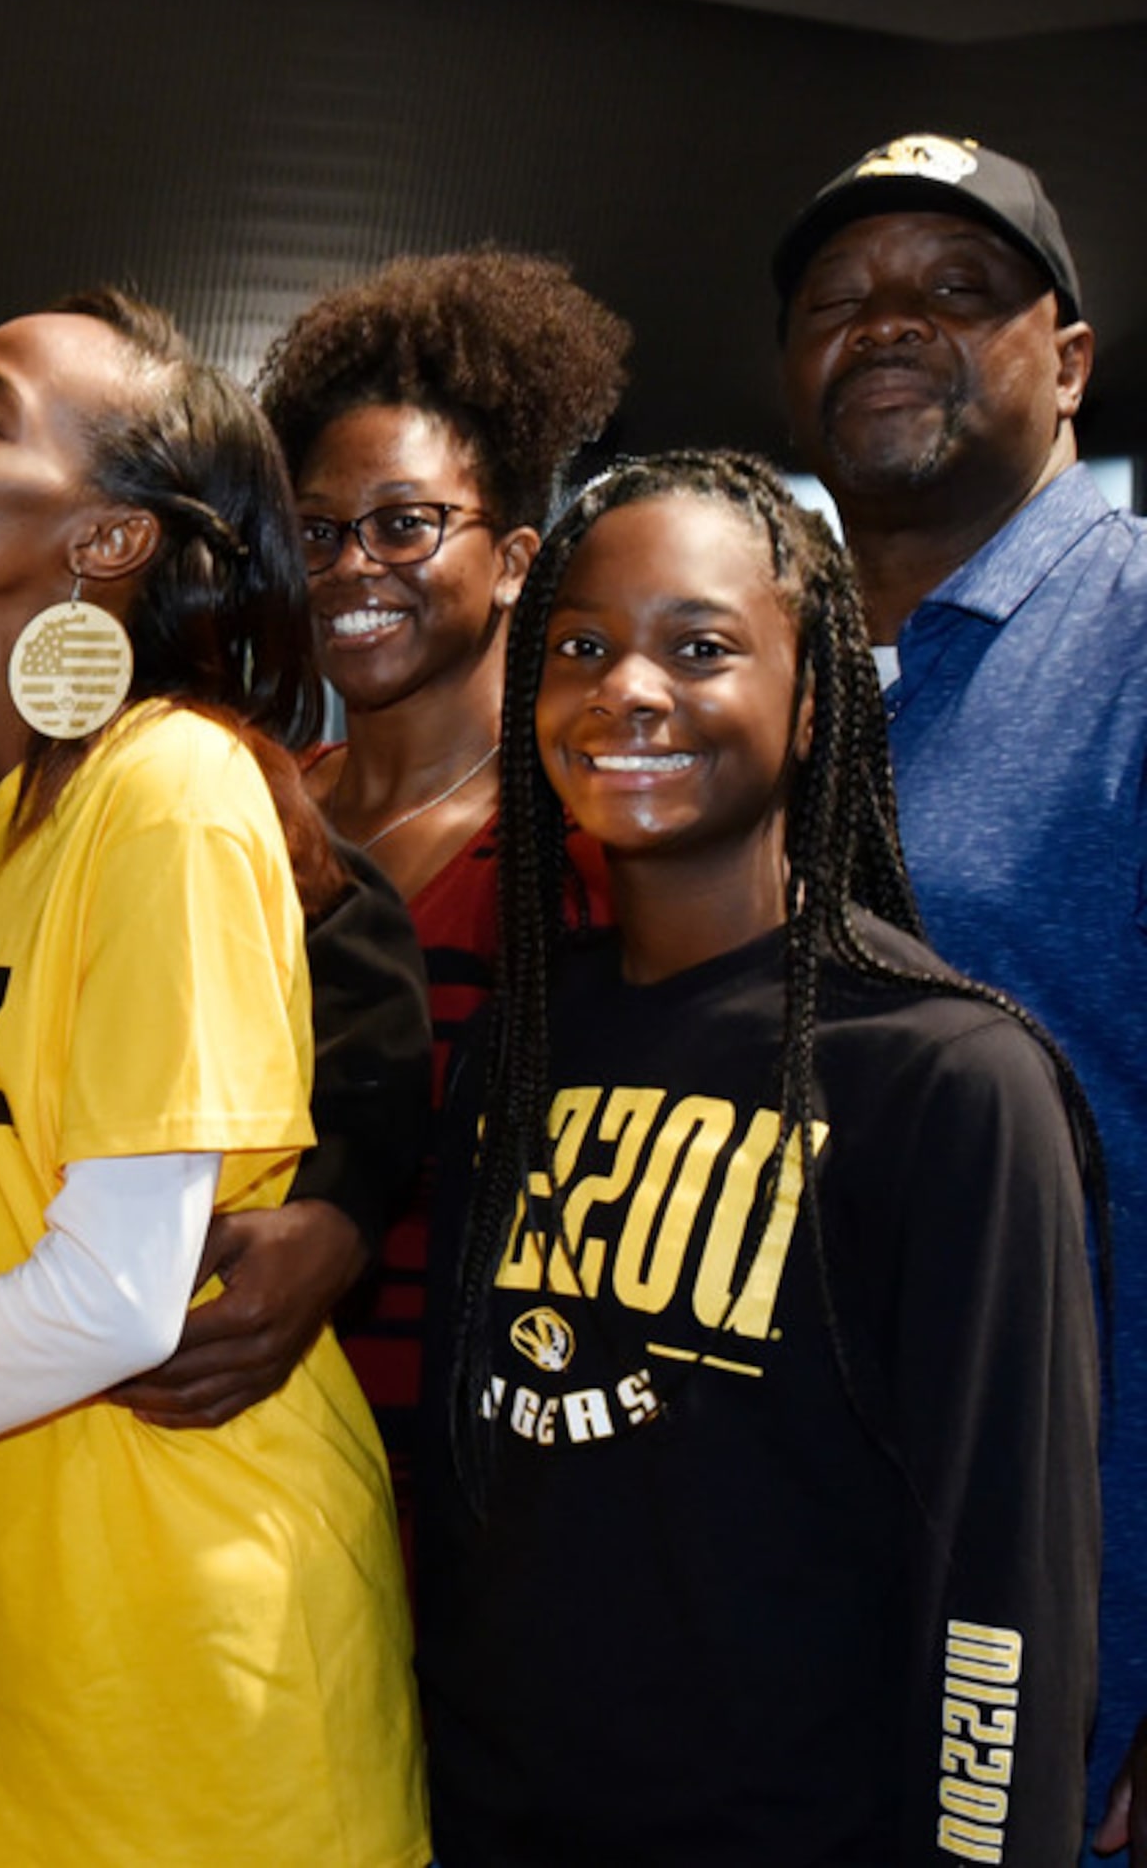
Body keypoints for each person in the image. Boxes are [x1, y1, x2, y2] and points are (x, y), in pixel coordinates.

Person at [421, 450, 1100, 1864]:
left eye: (702, 645)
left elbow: (1007, 1584)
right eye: (583, 646)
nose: (628, 688)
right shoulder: (519, 1045)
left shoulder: (946, 1076)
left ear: (813, 701)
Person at [0, 290, 425, 1867]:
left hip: (190, 1638)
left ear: (108, 541)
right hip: (28, 1628)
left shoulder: (170, 788)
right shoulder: (23, 818)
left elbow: (114, 1296)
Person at [767, 131, 1147, 1846]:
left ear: (1067, 361)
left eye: (955, 288)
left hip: (1071, 1616)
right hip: (789, 1589)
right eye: (838, 301)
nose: (887, 321)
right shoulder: (749, 670)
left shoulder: (1132, 636)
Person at [253, 248, 627, 1539]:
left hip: (490, 1501)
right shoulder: (250, 805)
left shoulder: (579, 852)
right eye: (316, 530)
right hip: (253, 1474)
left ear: (517, 556)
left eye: (405, 523)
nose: (353, 564)